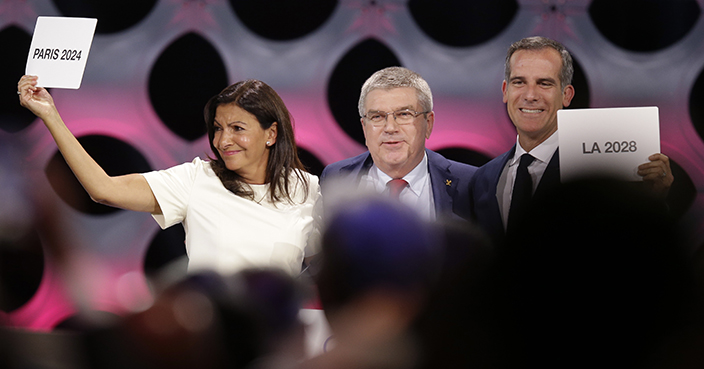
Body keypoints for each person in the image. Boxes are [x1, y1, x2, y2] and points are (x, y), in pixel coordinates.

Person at [17, 76, 320, 277]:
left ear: (271, 133)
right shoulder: (197, 179)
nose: (222, 141)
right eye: (217, 128)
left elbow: (325, 264)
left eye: (237, 128)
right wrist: (50, 115)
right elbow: (103, 188)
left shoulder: (306, 188)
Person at [469, 36, 674, 247]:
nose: (530, 95)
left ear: (566, 95)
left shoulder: (600, 171)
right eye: (519, 82)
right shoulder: (483, 178)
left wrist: (654, 200)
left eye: (544, 83)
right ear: (505, 91)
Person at [320, 67, 477, 222]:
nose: (390, 128)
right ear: (364, 128)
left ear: (428, 124)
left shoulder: (470, 183)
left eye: (404, 114)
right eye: (377, 116)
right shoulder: (335, 178)